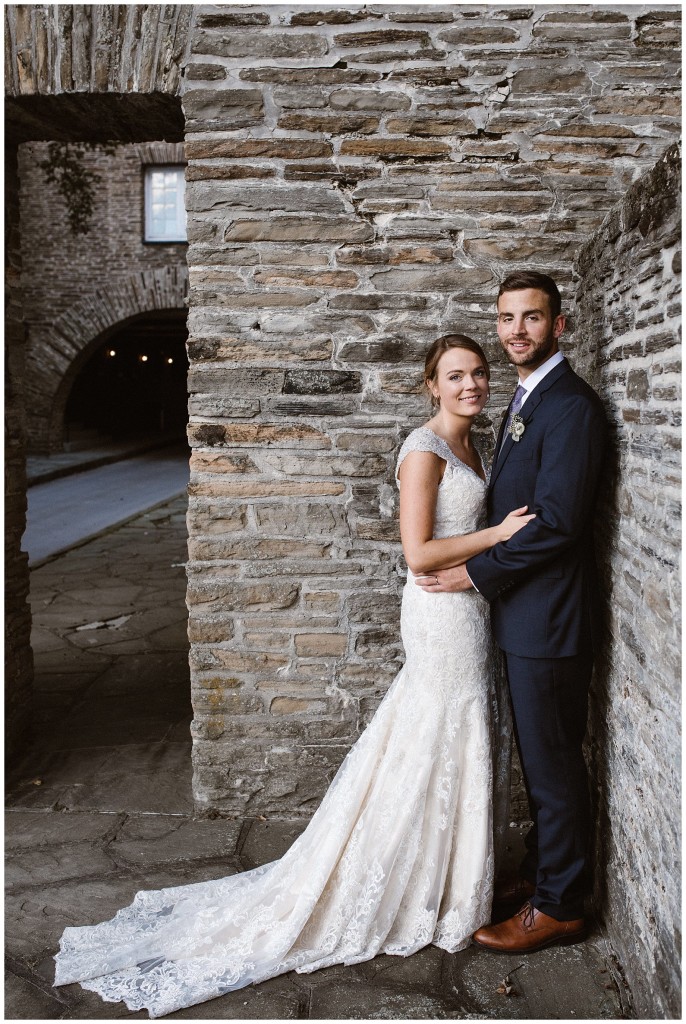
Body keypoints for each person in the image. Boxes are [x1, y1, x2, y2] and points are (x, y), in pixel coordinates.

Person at [53, 334, 533, 1018]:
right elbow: (417, 551)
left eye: (478, 374)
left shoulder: (473, 446)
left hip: (470, 608)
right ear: (431, 384)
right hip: (439, 615)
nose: (471, 385)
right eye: (455, 376)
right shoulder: (423, 450)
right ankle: (423, 882)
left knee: (452, 734)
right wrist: (497, 536)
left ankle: (454, 878)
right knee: (437, 728)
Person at [417, 272, 607, 953]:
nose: (515, 330)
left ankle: (561, 905)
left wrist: (475, 571)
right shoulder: (529, 397)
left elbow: (557, 523)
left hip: (551, 620)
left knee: (554, 764)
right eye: (506, 318)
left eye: (530, 317)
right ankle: (541, 874)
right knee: (539, 759)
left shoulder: (572, 407)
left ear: (558, 325)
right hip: (523, 616)